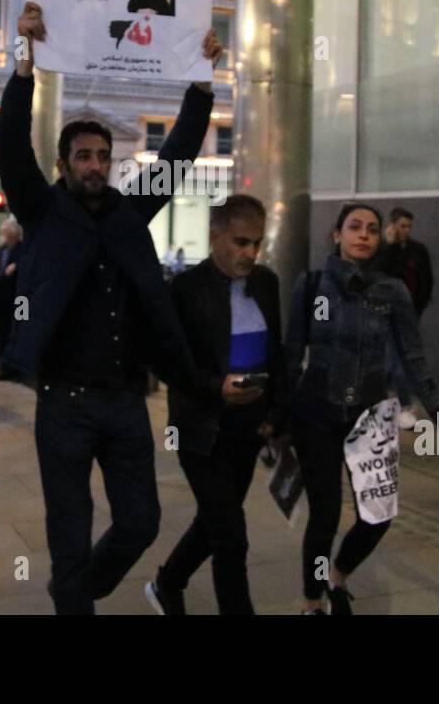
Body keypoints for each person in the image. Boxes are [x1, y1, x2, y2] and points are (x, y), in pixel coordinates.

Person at [0, 0, 221, 615]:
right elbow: (11, 145)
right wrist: (24, 60)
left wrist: (201, 77)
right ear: (65, 165)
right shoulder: (42, 213)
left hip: (124, 401)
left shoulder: (129, 210)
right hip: (63, 405)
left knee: (141, 523)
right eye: (84, 157)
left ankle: (79, 589)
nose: (96, 165)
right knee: (68, 534)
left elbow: (176, 156)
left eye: (103, 157)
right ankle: (74, 591)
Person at [283, 203, 439, 615]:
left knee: (378, 515)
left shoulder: (392, 291)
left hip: (370, 418)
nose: (363, 234)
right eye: (354, 227)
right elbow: (291, 354)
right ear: (337, 235)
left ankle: (338, 577)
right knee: (324, 517)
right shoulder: (311, 286)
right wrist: (279, 419)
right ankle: (313, 605)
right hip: (316, 413)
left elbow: (414, 360)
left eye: (372, 229)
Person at [146, 195, 286, 615]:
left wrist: (276, 417)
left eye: (256, 244)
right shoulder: (185, 290)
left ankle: (168, 583)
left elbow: (276, 352)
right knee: (231, 537)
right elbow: (167, 361)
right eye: (241, 242)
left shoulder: (266, 283)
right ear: (215, 237)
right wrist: (214, 387)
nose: (249, 253)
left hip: (248, 429)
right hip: (201, 431)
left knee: (213, 522)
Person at [370, 207, 435, 427]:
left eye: (409, 226)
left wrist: (417, 308)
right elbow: (379, 273)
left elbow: (426, 281)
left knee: (399, 360)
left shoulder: (418, 250)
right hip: (385, 312)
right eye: (402, 226)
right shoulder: (383, 249)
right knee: (394, 361)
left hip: (409, 313)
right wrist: (390, 246)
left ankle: (395, 406)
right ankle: (402, 406)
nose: (406, 230)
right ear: (393, 225)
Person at [0, 218, 22, 380]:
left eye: (5, 231)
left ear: (13, 234)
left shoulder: (23, 250)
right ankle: (2, 367)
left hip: (21, 299)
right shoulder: (1, 250)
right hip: (2, 299)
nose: (2, 234)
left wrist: (17, 266)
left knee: (20, 330)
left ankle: (18, 367)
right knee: (1, 332)